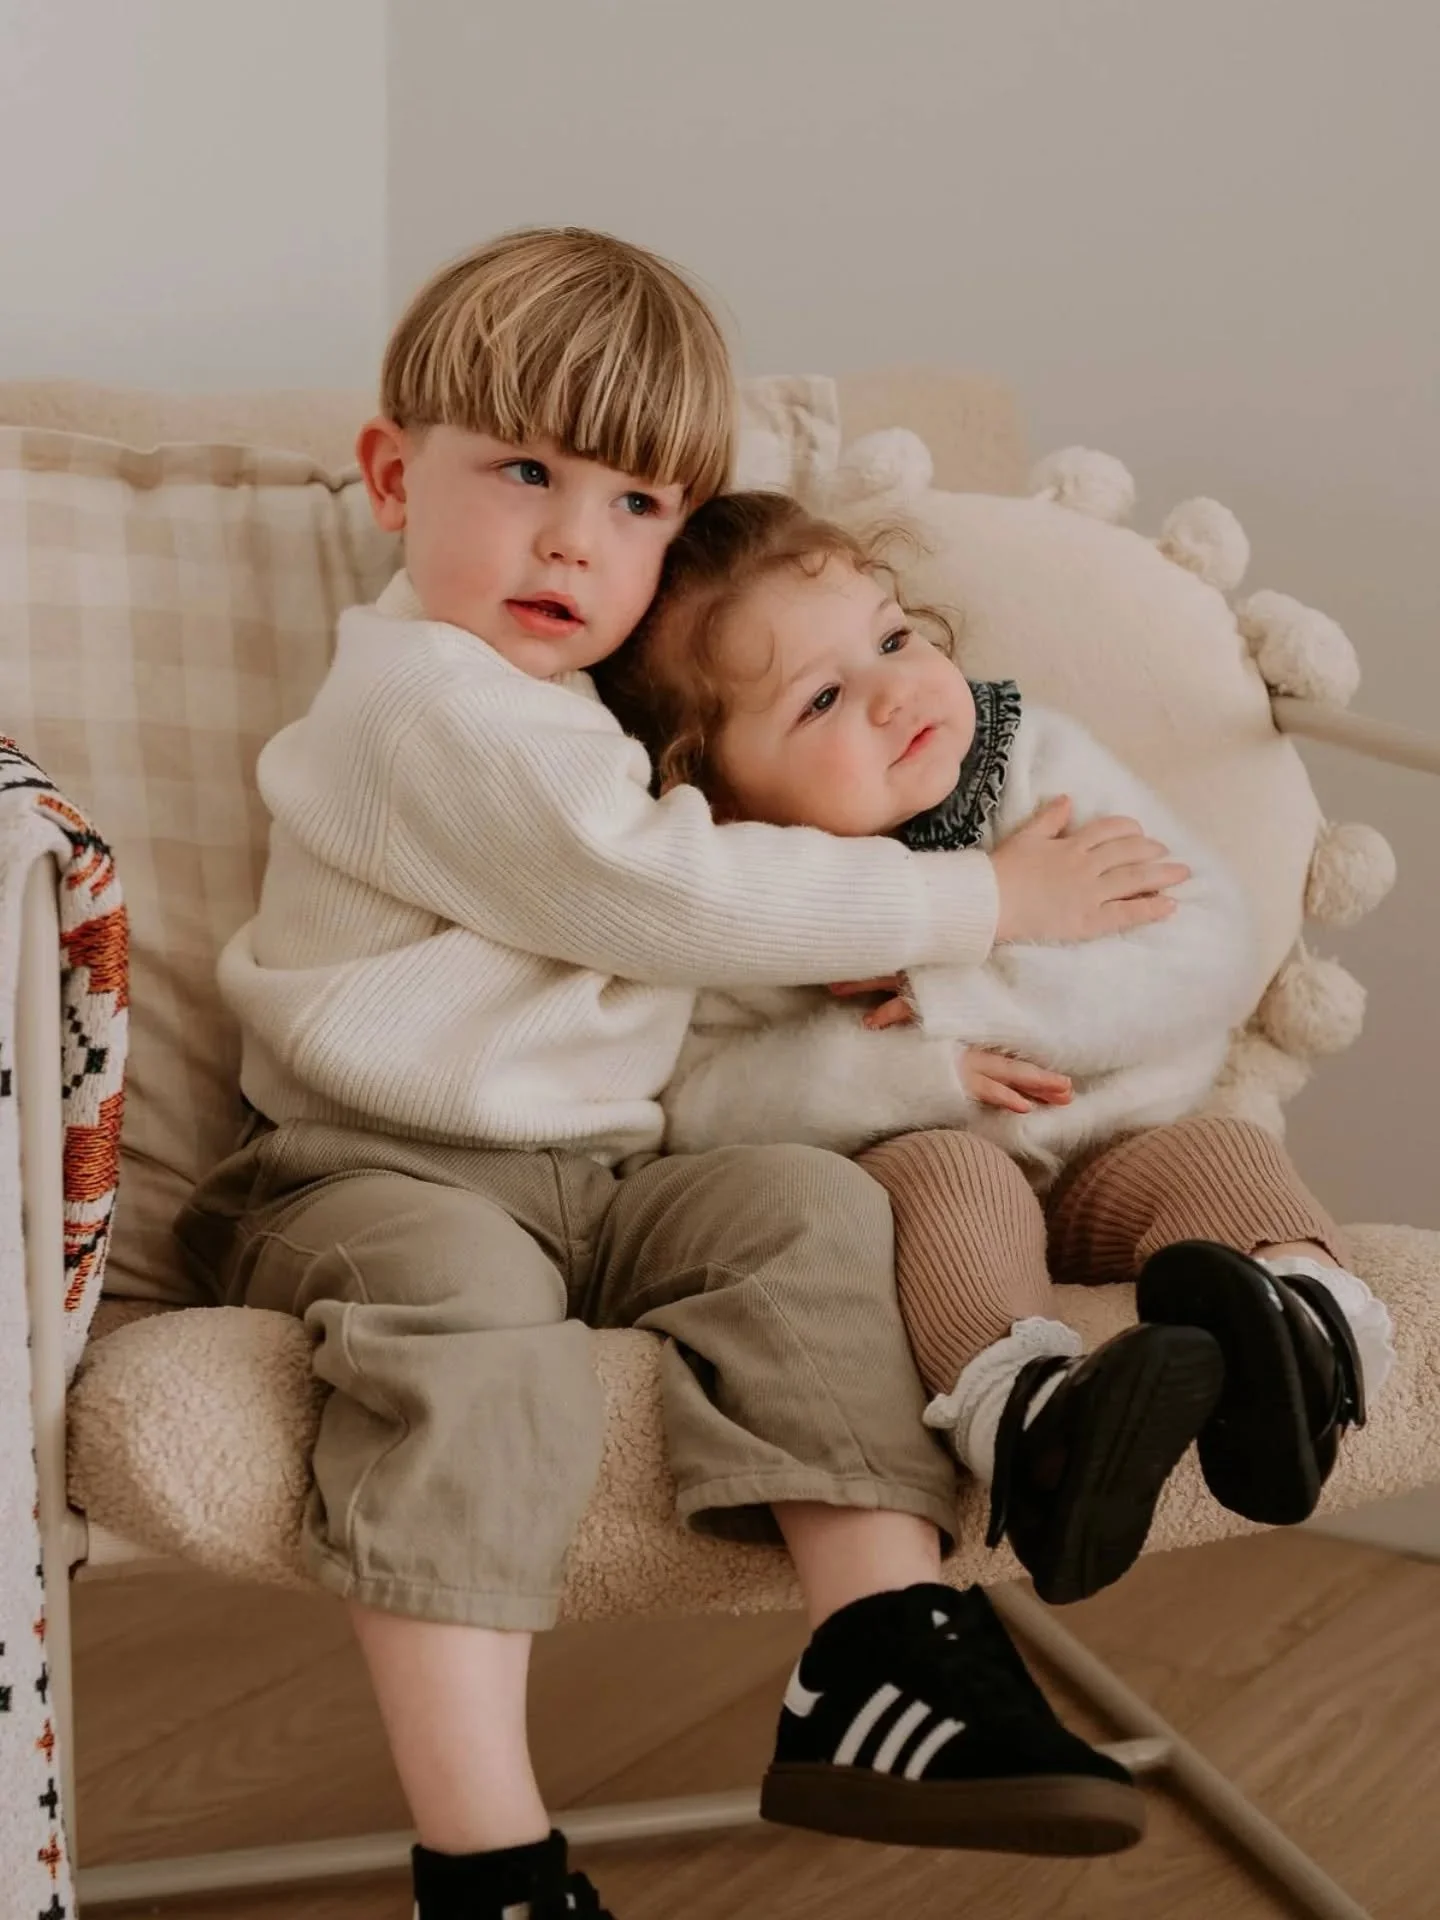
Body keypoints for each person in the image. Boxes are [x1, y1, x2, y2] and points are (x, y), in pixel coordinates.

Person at [175, 231, 1184, 1920]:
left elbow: (660, 948)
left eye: (640, 504)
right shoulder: (422, 702)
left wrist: (878, 991)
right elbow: (662, 894)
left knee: (801, 1215)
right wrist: (988, 894)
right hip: (378, 1170)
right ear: (387, 475)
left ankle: (881, 1657)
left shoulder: (571, 708)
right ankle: (486, 1851)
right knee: (467, 1344)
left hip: (605, 1176)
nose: (577, 537)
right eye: (524, 471)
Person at [602, 488, 1395, 1614]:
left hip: (1123, 1134)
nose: (890, 695)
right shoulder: (742, 899)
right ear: (718, 795)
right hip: (929, 1172)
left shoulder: (1027, 762)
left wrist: (964, 986)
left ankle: (1303, 1336)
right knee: (951, 1177)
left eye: (893, 639)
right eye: (821, 699)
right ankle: (1036, 1420)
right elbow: (697, 1099)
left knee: (1221, 1156)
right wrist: (915, 1071)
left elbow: (1210, 950)